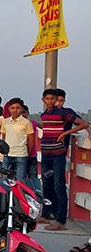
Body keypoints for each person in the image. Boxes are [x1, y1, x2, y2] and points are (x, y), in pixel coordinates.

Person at [38, 89, 89, 231]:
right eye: (47, 98)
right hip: (46, 153)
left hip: (58, 154)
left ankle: (60, 220)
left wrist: (65, 133)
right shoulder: (44, 115)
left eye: (52, 99)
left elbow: (83, 124)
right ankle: (46, 214)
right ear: (43, 100)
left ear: (56, 100)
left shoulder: (63, 113)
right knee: (47, 185)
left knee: (59, 186)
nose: (50, 101)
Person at [0, 98, 34, 180]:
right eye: (12, 108)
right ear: (9, 109)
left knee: (20, 180)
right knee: (4, 180)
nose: (15, 110)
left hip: (21, 155)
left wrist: (27, 153)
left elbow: (31, 140)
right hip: (7, 155)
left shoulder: (26, 123)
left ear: (22, 109)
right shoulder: (6, 122)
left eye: (18, 108)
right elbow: (3, 137)